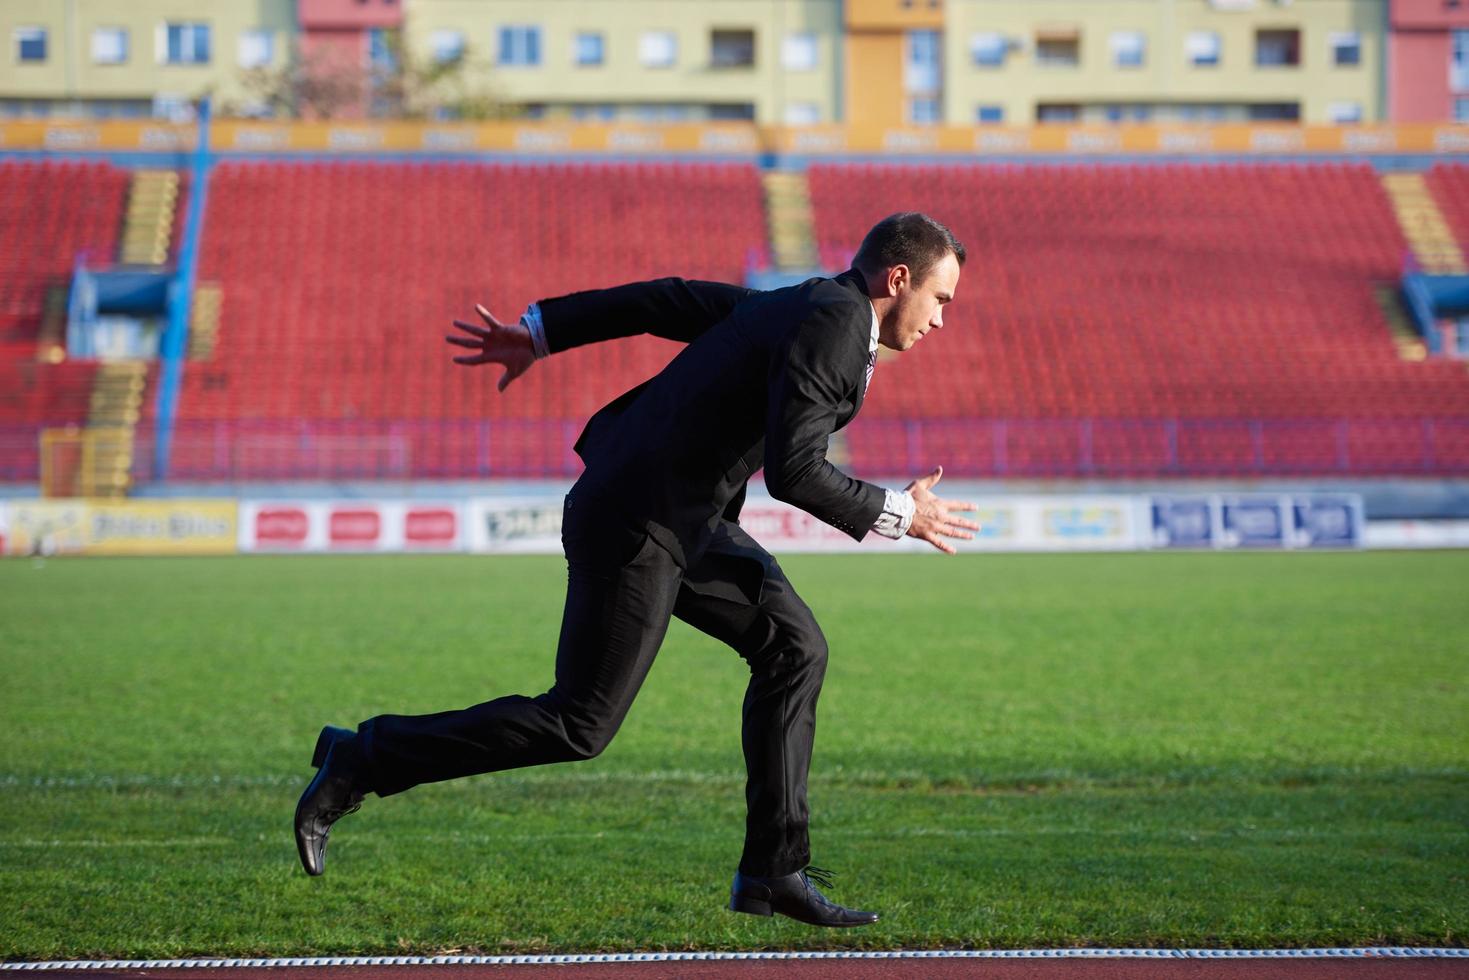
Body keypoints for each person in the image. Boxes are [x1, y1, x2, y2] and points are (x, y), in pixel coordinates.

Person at [295, 211, 980, 928]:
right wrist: (897, 511)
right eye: (940, 300)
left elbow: (664, 300)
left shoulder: (797, 304)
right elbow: (795, 470)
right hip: (635, 519)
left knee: (794, 649)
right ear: (897, 278)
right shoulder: (832, 320)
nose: (939, 320)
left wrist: (539, 331)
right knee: (577, 724)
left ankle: (772, 870)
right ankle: (361, 758)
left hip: (687, 519)